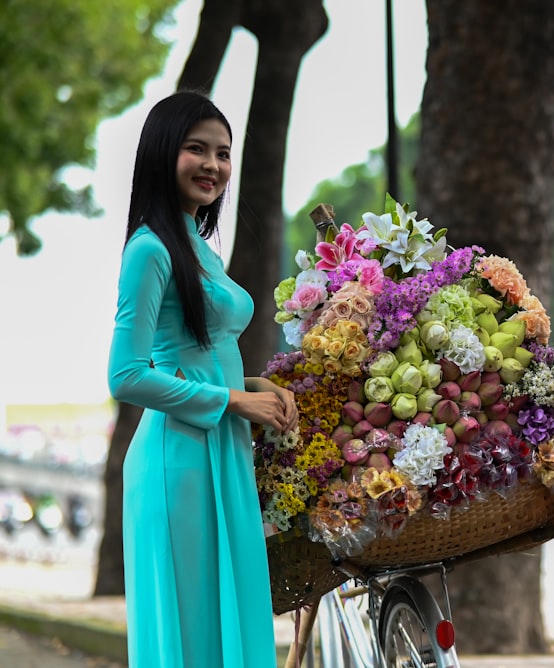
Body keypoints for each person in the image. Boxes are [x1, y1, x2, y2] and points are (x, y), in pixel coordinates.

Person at [108, 91, 298, 667]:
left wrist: (258, 387)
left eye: (223, 152)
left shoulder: (199, 247)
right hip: (179, 464)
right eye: (197, 149)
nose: (213, 165)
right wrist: (233, 400)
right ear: (164, 154)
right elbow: (126, 375)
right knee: (192, 640)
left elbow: (203, 350)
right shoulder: (150, 248)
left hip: (220, 452)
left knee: (224, 630)